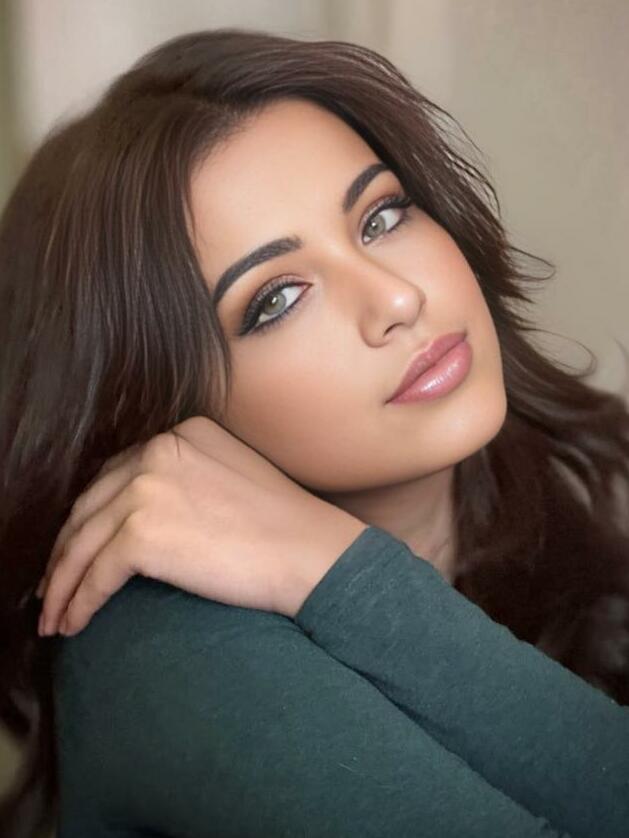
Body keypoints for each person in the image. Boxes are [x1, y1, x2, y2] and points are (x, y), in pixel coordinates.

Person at [0, 26, 628, 838]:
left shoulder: (557, 513)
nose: (396, 298)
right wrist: (345, 578)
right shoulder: (181, 656)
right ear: (156, 409)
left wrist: (326, 563)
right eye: (276, 299)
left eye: (381, 217)